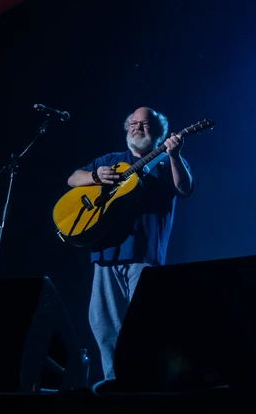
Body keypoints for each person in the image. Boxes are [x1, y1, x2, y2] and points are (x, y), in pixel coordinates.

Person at [66, 106, 194, 382]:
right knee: (104, 326)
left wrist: (175, 155)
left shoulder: (167, 160)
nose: (137, 127)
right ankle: (114, 384)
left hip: (145, 255)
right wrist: (96, 177)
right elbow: (73, 178)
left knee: (146, 324)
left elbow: (185, 189)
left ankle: (148, 384)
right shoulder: (112, 159)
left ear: (159, 132)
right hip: (105, 253)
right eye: (133, 123)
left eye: (145, 124)